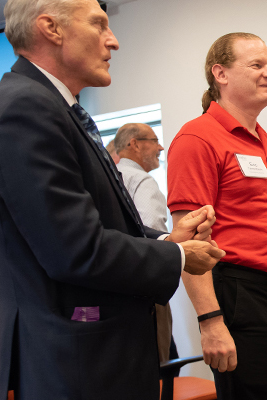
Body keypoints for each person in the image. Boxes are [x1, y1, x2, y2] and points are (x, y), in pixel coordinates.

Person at [0, 1, 225, 399]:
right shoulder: (26, 107)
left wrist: (167, 240)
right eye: (99, 24)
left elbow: (97, 225)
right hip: (76, 365)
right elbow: (75, 249)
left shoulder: (56, 107)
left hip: (96, 357)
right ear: (51, 28)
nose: (113, 40)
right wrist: (178, 256)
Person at [167, 32, 267, 400]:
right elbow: (189, 242)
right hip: (240, 296)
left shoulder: (260, 138)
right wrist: (210, 321)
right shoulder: (197, 137)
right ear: (221, 74)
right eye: (257, 65)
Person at [113, 123, 174, 363]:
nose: (161, 147)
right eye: (154, 140)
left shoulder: (111, 177)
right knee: (159, 365)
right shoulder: (142, 181)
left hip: (116, 292)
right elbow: (153, 238)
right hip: (146, 292)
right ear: (135, 144)